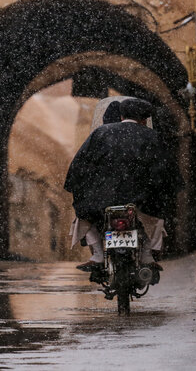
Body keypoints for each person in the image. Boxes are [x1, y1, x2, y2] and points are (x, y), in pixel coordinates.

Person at [64, 98, 169, 272]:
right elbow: (164, 170)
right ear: (143, 120)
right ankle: (147, 256)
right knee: (157, 218)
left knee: (83, 216)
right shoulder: (151, 136)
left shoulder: (101, 133)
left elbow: (79, 166)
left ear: (121, 116)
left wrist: (83, 189)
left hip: (102, 199)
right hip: (141, 200)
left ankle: (97, 254)